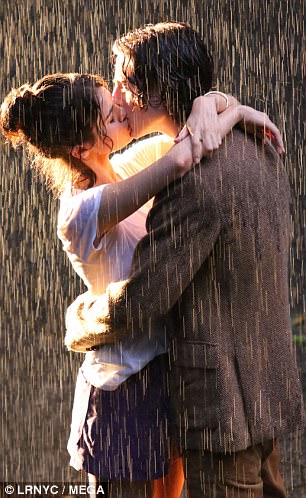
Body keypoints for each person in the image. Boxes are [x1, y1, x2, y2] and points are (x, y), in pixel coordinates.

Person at [0, 68, 279, 497]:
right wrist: (235, 111)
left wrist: (222, 104)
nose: (122, 112)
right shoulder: (83, 210)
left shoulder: (121, 165)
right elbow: (183, 158)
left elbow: (190, 136)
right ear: (80, 148)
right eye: (110, 116)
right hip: (122, 389)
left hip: (165, 376)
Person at [65, 22, 305, 498]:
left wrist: (79, 318)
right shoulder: (257, 146)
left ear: (160, 91)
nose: (115, 98)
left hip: (222, 409)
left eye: (125, 83)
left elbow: (141, 301)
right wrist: (226, 106)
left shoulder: (192, 183)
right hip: (266, 385)